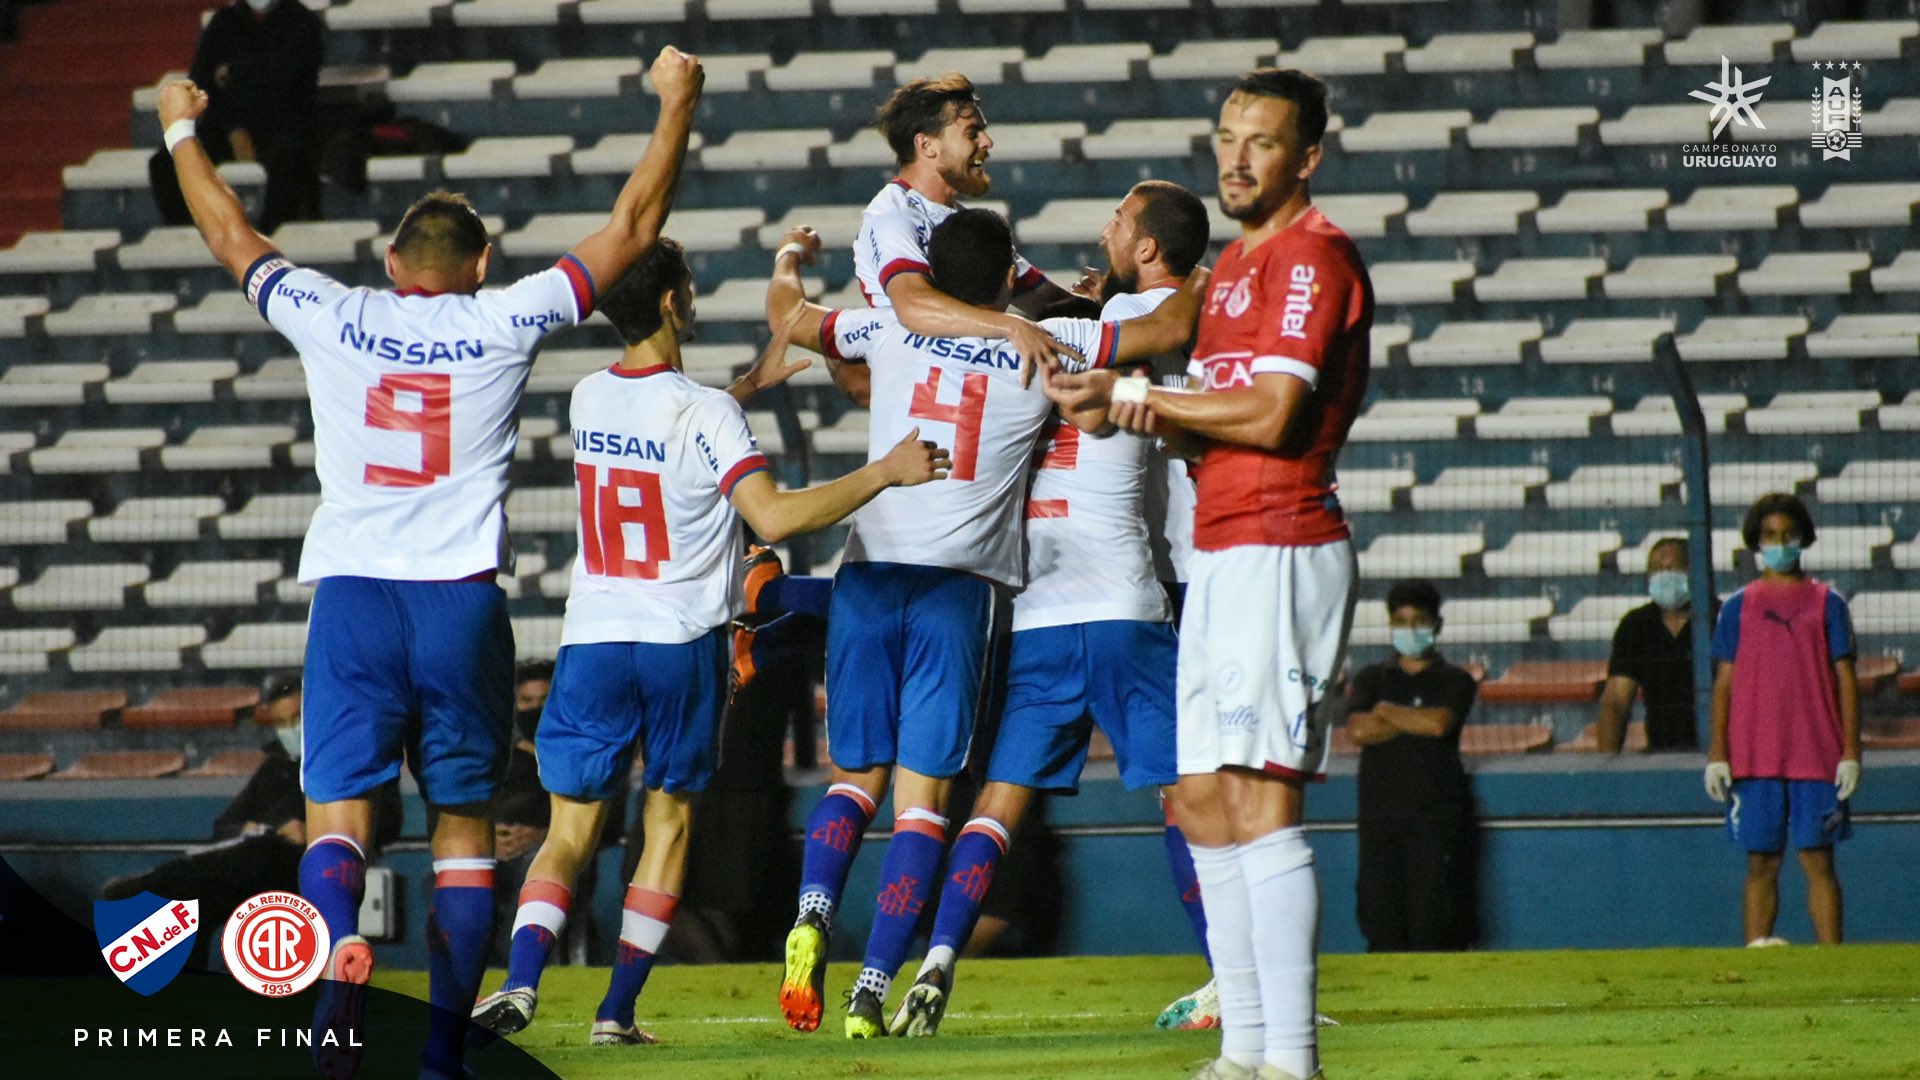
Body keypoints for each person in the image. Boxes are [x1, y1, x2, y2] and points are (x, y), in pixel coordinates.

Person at [156, 45, 704, 1080]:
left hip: (356, 597)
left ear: (391, 262)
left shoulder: (335, 312)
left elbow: (230, 231)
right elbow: (633, 228)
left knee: (339, 815)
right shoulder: (503, 318)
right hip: (460, 604)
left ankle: (338, 968)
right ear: (482, 265)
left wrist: (181, 126)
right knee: (463, 831)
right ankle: (444, 1055)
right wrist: (677, 102)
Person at [470, 237, 948, 1046]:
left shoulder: (590, 398)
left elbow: (662, 438)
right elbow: (773, 517)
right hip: (679, 642)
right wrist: (884, 471)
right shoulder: (706, 415)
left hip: (592, 639)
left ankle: (519, 983)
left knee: (569, 833)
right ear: (671, 304)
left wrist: (744, 388)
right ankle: (616, 1012)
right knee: (667, 827)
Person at [767, 208, 1203, 1038]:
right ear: (1009, 276)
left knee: (885, 784)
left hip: (911, 582)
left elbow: (792, 320)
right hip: (1011, 594)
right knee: (930, 802)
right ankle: (879, 982)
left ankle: (837, 917)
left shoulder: (894, 326)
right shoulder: (1045, 353)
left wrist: (791, 258)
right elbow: (1136, 365)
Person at [1052, 66, 1370, 1080]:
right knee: (1201, 799)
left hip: (1283, 543)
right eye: (1228, 136)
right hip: (1222, 548)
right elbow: (1212, 424)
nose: (1236, 157)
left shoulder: (1312, 258)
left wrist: (1144, 402)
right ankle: (1242, 1051)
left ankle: (1292, 1056)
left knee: (1262, 799)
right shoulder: (1228, 270)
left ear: (1306, 157)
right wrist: (1121, 401)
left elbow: (1275, 416)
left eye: (1262, 141)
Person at [882, 180, 1218, 1038]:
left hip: (1038, 608)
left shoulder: (1027, 341)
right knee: (1188, 796)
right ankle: (1231, 980)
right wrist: (1213, 276)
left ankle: (938, 961)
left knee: (999, 800)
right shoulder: (1120, 327)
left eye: (1117, 220)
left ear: (1144, 246)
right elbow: (1172, 327)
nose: (1103, 228)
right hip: (1123, 601)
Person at [99, 676, 402, 968]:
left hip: (304, 863)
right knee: (196, 900)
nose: (290, 729)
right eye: (282, 723)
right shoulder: (276, 767)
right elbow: (225, 825)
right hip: (254, 859)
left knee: (212, 876)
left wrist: (315, 832)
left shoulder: (351, 755)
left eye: (296, 718)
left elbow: (389, 820)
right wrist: (243, 828)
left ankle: (148, 886)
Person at [1706, 493, 1861, 947]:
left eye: (1789, 535)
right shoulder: (1737, 607)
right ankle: (1757, 957)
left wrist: (1851, 752)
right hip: (1754, 756)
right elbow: (1724, 684)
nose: (1780, 543)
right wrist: (1718, 754)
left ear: (1804, 539)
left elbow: (1845, 680)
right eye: (1770, 535)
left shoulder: (1828, 603)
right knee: (1761, 862)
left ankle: (1833, 962)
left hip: (1817, 753)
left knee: (1818, 860)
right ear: (1756, 541)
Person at [853, 74, 1079, 379]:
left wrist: (1106, 301)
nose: (987, 142)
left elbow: (1049, 302)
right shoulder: (893, 215)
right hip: (927, 397)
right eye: (972, 133)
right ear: (927, 145)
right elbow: (913, 306)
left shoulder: (962, 223)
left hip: (972, 387)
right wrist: (1012, 326)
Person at [1345, 580, 1480, 953]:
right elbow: (1358, 729)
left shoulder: (1455, 679)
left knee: (1433, 923)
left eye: (1418, 620)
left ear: (1436, 624)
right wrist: (1413, 720)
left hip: (1435, 820)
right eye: (1400, 620)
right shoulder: (1372, 678)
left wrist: (1387, 712)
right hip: (1379, 819)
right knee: (1380, 922)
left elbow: (1439, 724)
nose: (1409, 629)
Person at [148, 0, 324, 234]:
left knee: (291, 161)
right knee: (165, 163)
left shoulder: (303, 23)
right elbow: (200, 82)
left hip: (281, 128)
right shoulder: (223, 23)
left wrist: (234, 74)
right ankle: (198, 237)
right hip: (225, 128)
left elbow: (290, 83)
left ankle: (266, 245)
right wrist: (233, 128)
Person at [1597, 537, 1716, 752]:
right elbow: (1616, 701)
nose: (1664, 575)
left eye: (1673, 568)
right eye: (1656, 569)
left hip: (1718, 752)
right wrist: (1605, 767)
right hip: (1661, 751)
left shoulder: (1721, 619)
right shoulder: (1636, 625)